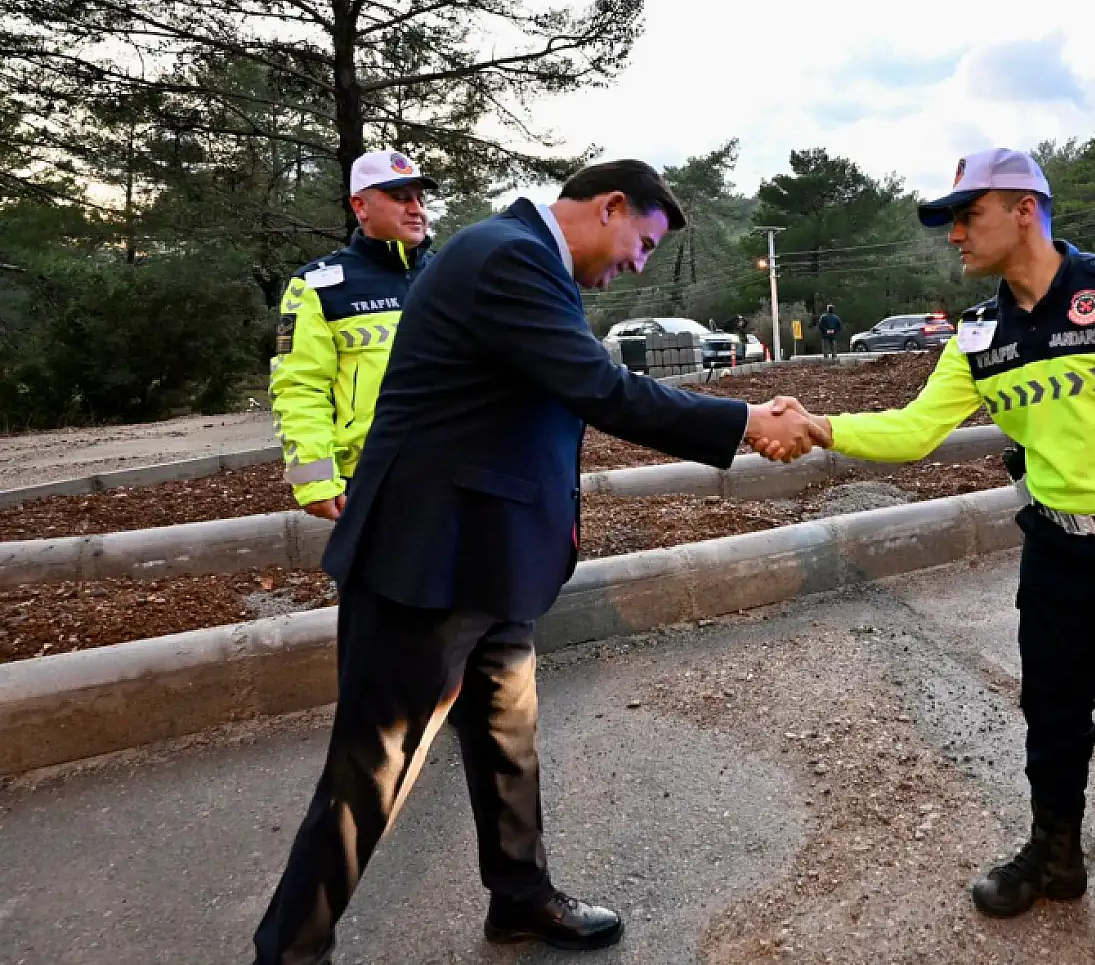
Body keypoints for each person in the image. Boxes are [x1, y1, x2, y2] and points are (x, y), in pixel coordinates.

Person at [253, 159, 816, 965]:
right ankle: (289, 952)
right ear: (611, 206)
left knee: (507, 740)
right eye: (644, 243)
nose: (638, 264)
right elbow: (601, 388)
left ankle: (518, 899)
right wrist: (744, 419)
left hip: (488, 561)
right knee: (368, 771)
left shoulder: (521, 259)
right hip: (426, 563)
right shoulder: (506, 255)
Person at [759, 148, 1095, 965]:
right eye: (949, 220)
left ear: (1025, 208)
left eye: (967, 214)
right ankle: (1057, 858)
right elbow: (917, 429)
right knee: (1052, 723)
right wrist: (820, 426)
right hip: (1058, 555)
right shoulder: (980, 332)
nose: (954, 233)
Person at [270, 150, 434, 521]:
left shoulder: (451, 273)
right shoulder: (318, 286)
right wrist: (315, 482)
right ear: (360, 206)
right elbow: (299, 387)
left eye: (420, 198)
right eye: (400, 197)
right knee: (387, 580)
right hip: (374, 478)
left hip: (463, 473)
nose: (416, 209)